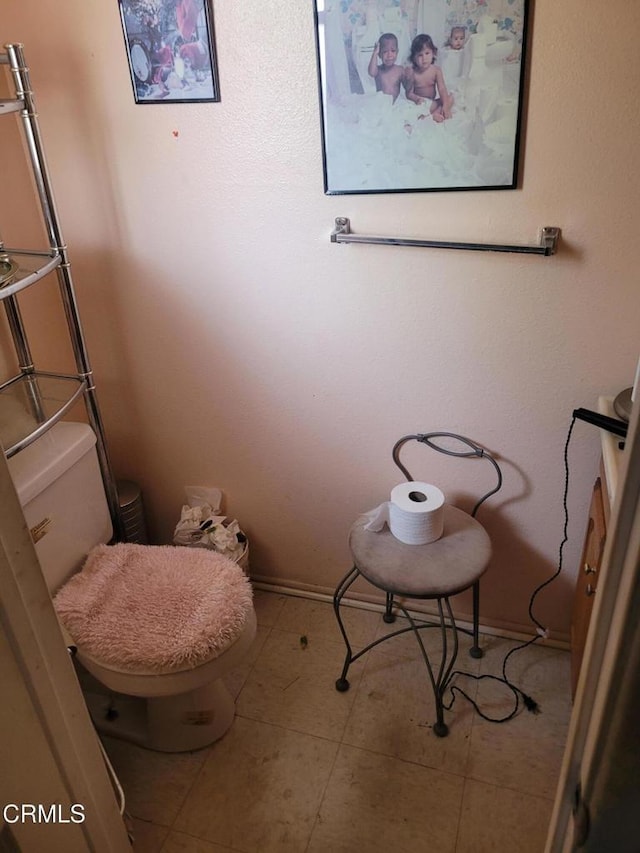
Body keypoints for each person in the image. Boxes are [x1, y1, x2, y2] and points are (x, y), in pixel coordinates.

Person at [403, 33, 452, 122]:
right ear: (414, 58)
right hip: (419, 103)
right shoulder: (413, 72)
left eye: (427, 53)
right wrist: (416, 98)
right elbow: (408, 93)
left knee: (450, 98)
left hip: (431, 103)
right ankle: (429, 117)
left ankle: (435, 113)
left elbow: (442, 89)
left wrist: (445, 105)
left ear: (433, 53)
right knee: (411, 113)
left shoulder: (436, 70)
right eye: (420, 55)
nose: (424, 58)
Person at [367, 33, 405, 102]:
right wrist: (375, 53)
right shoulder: (378, 70)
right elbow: (371, 72)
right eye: (385, 52)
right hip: (381, 105)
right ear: (379, 54)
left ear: (397, 52)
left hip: (395, 104)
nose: (389, 55)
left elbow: (408, 86)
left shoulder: (400, 70)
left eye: (393, 51)